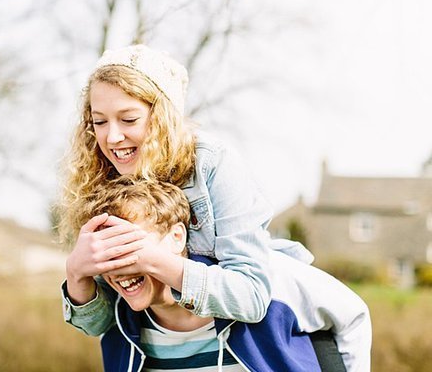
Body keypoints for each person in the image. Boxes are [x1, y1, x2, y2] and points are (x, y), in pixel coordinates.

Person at [58, 44, 349, 369]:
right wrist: (77, 274)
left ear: (162, 117)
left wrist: (154, 259)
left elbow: (251, 295)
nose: (112, 137)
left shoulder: (212, 164)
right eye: (99, 122)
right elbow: (101, 321)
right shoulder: (103, 180)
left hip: (257, 338)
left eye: (128, 119)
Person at [63, 176, 371, 372]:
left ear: (176, 237)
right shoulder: (120, 325)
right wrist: (77, 273)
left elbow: (353, 314)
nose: (120, 267)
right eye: (107, 254)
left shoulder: (256, 281)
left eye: (131, 246)